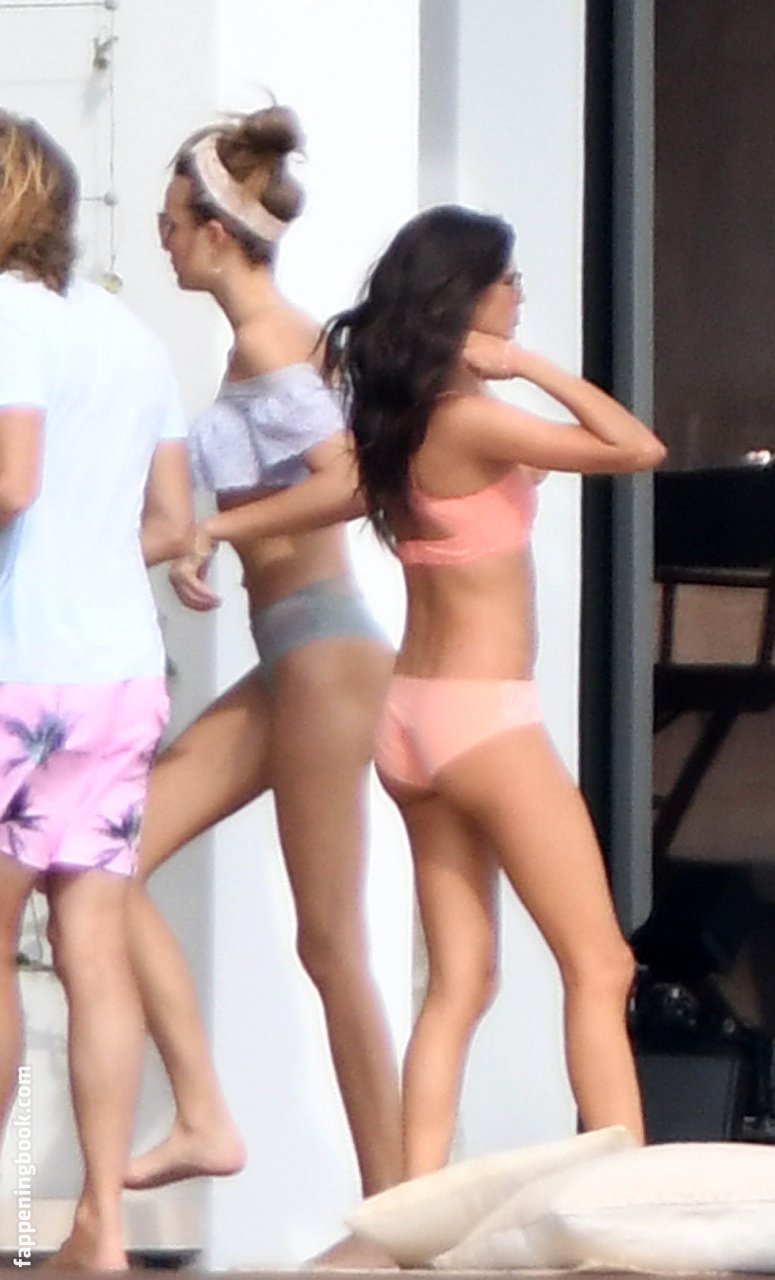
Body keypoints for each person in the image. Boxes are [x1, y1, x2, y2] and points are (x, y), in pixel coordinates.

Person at [323, 204, 666, 1176]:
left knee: (458, 984)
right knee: (601, 964)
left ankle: (407, 1204)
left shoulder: (400, 419)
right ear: (467, 296)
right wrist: (532, 367)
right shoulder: (471, 416)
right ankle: (623, 1198)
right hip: (484, 719)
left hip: (410, 721)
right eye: (508, 281)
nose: (518, 296)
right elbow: (636, 448)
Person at [122, 106, 403, 1228]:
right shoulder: (261, 343)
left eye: (169, 220)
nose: (159, 237)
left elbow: (349, 482)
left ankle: (396, 1212)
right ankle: (203, 1113)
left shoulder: (276, 341)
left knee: (330, 942)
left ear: (214, 231)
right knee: (108, 850)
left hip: (327, 652)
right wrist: (187, 540)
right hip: (291, 654)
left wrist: (216, 530)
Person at [0, 113, 194, 1269]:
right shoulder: (130, 337)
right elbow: (169, 520)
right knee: (95, 947)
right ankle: (102, 1228)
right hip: (119, 672)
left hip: (19, 672)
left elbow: (11, 478)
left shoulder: (4, 318)